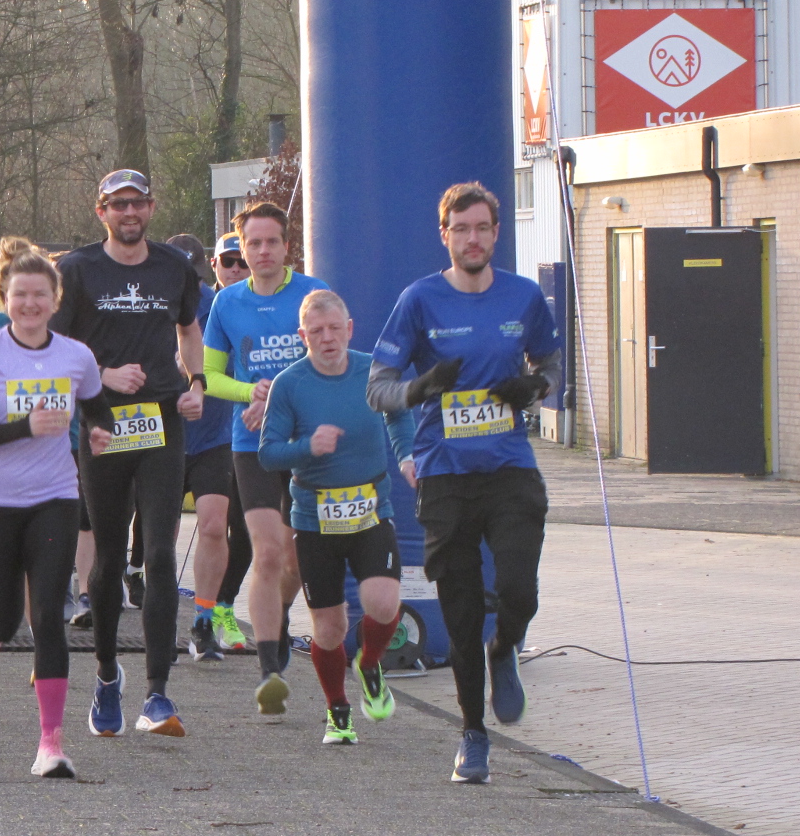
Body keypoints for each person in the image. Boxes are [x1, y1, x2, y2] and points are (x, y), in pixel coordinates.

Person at [366, 181, 560, 785]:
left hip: (509, 468)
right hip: (444, 474)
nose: (472, 239)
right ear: (444, 235)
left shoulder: (525, 297)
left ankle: (506, 648)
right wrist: (418, 390)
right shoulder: (420, 300)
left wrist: (535, 390)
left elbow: (553, 368)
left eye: (482, 228)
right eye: (461, 229)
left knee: (519, 589)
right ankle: (473, 733)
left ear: (496, 234)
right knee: (461, 607)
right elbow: (378, 386)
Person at [0, 249, 114, 778]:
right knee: (6, 616)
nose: (30, 303)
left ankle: (51, 743)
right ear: (4, 299)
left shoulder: (76, 356)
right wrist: (23, 427)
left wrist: (98, 430)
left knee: (47, 618)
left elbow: (95, 404)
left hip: (55, 496)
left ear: (55, 300)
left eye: (40, 294)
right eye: (20, 294)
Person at [53, 169, 205, 739]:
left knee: (162, 554)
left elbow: (189, 331)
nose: (129, 213)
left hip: (162, 420)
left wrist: (196, 384)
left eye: (137, 203)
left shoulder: (173, 266)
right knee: (110, 559)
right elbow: (56, 347)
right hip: (104, 425)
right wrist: (103, 375)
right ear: (102, 212)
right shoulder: (78, 269)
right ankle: (107, 675)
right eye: (118, 205)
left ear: (151, 207)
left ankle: (159, 693)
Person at [258, 290, 415, 745]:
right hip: (314, 517)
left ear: (350, 329)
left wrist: (406, 457)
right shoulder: (290, 383)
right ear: (303, 336)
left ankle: (369, 664)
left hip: (370, 508)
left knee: (384, 603)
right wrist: (308, 447)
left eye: (335, 329)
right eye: (317, 332)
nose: (328, 339)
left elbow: (399, 419)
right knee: (329, 627)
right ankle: (337, 710)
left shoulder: (373, 372)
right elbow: (268, 454)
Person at [202, 201, 328, 714]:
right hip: (251, 444)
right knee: (267, 551)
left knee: (297, 559)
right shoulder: (226, 304)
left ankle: (276, 624)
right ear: (241, 249)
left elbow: (332, 362)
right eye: (252, 244)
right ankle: (269, 668)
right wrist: (249, 394)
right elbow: (210, 376)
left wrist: (278, 397)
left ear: (286, 246)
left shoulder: (313, 295)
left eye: (271, 242)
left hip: (304, 444)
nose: (262, 252)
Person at [162, 234, 236, 664]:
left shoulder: (219, 305)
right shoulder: (150, 301)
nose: (186, 279)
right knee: (161, 533)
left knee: (212, 526)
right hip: (163, 434)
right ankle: (163, 612)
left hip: (212, 434)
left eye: (192, 271)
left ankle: (204, 620)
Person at [209, 233, 252, 651]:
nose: (236, 269)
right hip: (196, 436)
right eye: (229, 262)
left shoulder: (258, 309)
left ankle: (225, 607)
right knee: (206, 529)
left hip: (242, 437)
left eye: (242, 262)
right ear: (214, 266)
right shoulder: (206, 305)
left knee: (245, 531)